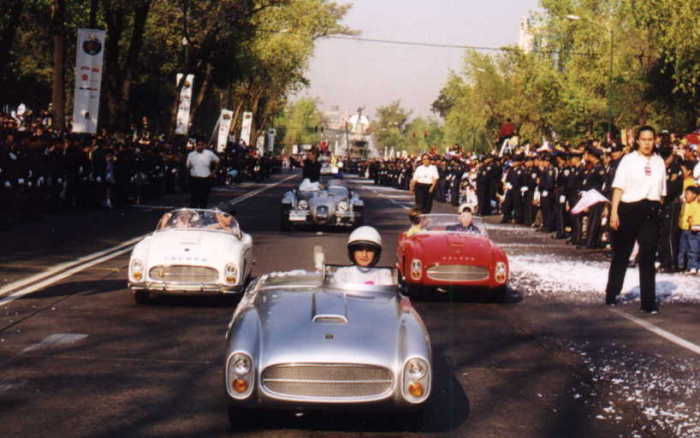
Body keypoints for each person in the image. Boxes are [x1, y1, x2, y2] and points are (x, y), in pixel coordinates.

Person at [605, 126, 666, 313]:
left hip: (650, 210)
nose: (647, 143)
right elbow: (618, 188)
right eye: (644, 139)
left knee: (648, 255)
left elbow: (662, 192)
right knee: (622, 253)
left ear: (655, 140)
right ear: (637, 141)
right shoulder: (628, 160)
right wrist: (614, 212)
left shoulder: (659, 162)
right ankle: (612, 292)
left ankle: (648, 301)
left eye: (650, 139)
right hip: (629, 208)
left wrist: (657, 210)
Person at [186, 140, 219, 208]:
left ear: (204, 146)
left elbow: (217, 161)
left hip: (205, 178)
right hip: (194, 178)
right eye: (198, 145)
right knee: (194, 198)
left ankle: (202, 213)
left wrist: (214, 172)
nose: (200, 147)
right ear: (196, 146)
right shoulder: (191, 154)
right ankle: (193, 214)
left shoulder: (209, 153)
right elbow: (187, 166)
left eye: (201, 145)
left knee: (204, 198)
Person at [677, 185, 700, 274]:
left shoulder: (697, 203)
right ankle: (682, 266)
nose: (686, 195)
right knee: (683, 248)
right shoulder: (684, 204)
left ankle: (694, 266)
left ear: (695, 195)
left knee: (694, 249)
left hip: (694, 229)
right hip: (684, 229)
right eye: (685, 193)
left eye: (688, 194)